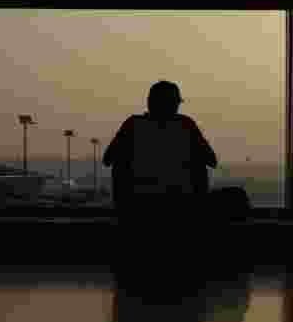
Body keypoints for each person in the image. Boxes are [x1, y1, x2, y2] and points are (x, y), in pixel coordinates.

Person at [103, 80, 249, 224]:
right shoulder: (185, 125)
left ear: (149, 102)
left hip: (136, 206)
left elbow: (108, 159)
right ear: (174, 104)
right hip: (182, 205)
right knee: (237, 196)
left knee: (120, 161)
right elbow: (211, 160)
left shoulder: (132, 125)